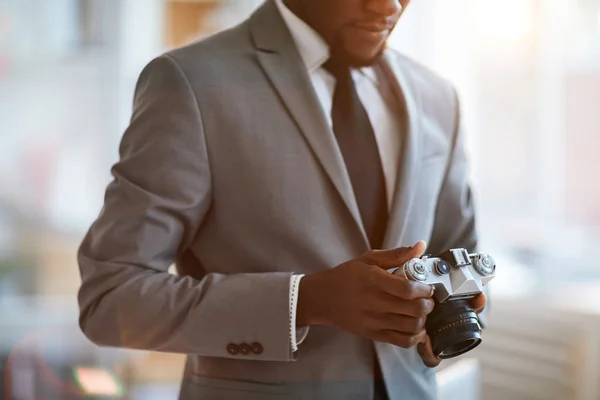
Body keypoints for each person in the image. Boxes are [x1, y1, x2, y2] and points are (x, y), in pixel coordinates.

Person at [77, 0, 487, 399]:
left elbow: (460, 254)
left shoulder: (438, 98)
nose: (388, 8)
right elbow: (110, 298)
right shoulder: (191, 83)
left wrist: (449, 315)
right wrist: (305, 301)